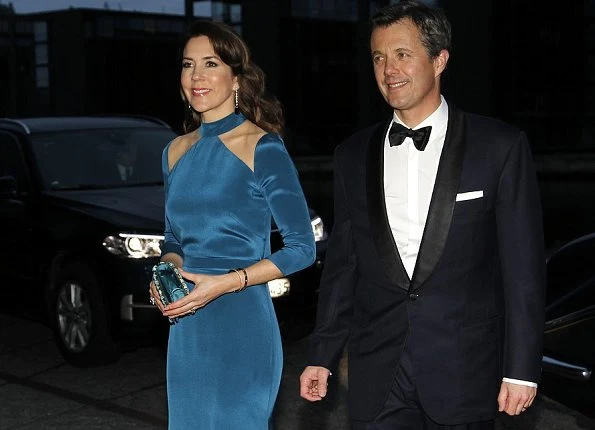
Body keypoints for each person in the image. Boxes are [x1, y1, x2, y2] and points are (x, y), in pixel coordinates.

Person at [299, 1, 546, 429]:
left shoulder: (499, 147)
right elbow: (343, 265)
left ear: (440, 59)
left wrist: (521, 368)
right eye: (378, 57)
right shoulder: (352, 155)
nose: (388, 69)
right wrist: (323, 354)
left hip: (466, 369)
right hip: (378, 369)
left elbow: (522, 270)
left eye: (402, 54)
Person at [148, 20, 316, 429]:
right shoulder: (174, 151)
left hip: (242, 324)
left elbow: (302, 248)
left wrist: (224, 283)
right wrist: (165, 270)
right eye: (188, 65)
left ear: (236, 77)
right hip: (187, 326)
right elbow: (174, 237)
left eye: (211, 64)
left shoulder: (262, 146)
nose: (197, 77)